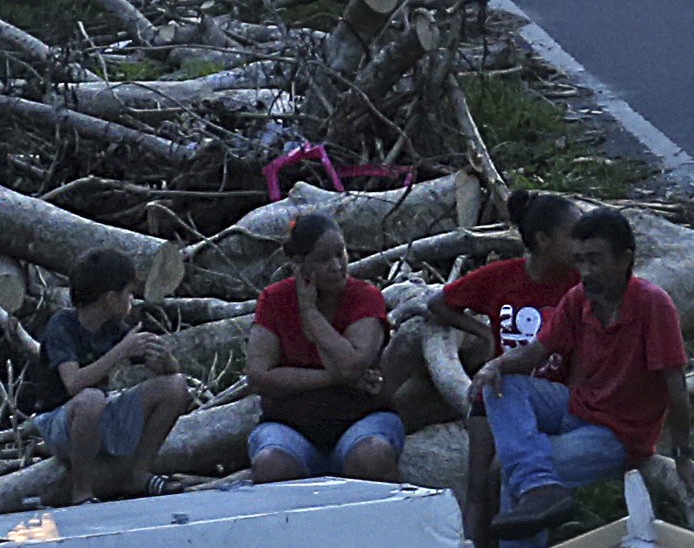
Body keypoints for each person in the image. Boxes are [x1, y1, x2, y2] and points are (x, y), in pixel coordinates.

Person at [486, 205, 684, 548]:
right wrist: (495, 366)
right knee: (503, 386)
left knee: (513, 477)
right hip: (578, 406)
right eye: (580, 261)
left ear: (624, 259)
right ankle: (539, 489)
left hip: (618, 434)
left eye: (595, 260)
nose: (586, 272)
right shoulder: (580, 299)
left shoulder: (653, 305)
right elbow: (535, 353)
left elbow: (677, 392)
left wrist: (684, 458)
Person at [392, 189, 583, 427]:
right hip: (500, 390)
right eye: (575, 236)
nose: (582, 245)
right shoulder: (502, 277)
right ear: (543, 240)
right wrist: (483, 333)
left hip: (558, 398)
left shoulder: (582, 284)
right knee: (483, 437)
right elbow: (439, 304)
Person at [245, 208, 407, 481]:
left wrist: (310, 313)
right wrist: (331, 378)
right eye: (323, 259)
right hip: (290, 425)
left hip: (361, 419)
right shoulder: (274, 300)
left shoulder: (365, 296)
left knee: (371, 456)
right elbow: (259, 376)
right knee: (271, 464)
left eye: (340, 253)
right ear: (299, 264)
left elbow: (351, 365)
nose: (337, 266)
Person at [35, 246, 185, 502]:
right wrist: (121, 350)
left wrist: (165, 360)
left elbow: (165, 372)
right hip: (59, 421)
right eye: (128, 293)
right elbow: (73, 383)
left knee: (175, 386)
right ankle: (82, 490)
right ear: (111, 298)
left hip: (98, 414)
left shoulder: (114, 328)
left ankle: (138, 473)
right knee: (91, 398)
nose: (132, 300)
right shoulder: (62, 325)